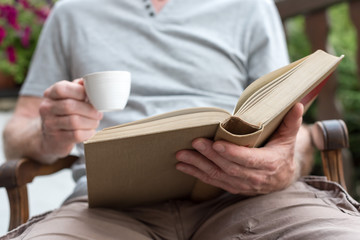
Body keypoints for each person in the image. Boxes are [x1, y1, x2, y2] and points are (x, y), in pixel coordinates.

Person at [2, 0, 360, 239]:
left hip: (248, 197)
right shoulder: (73, 11)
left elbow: (286, 124)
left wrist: (284, 165)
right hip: (106, 210)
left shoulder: (250, 6)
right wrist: (48, 133)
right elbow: (17, 132)